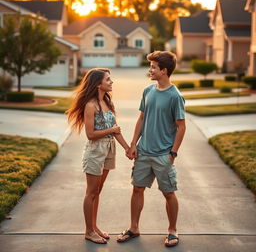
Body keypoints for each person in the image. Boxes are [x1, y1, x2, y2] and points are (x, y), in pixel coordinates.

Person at [117, 51, 186, 247]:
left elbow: (181, 127)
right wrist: (132, 144)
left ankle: (172, 231)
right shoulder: (148, 91)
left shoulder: (175, 96)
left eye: (154, 67)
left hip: (163, 154)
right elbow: (141, 119)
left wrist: (172, 153)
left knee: (168, 193)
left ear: (164, 71)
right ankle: (134, 227)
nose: (150, 70)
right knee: (137, 189)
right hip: (144, 152)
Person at [66, 68, 129, 244]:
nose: (111, 82)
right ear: (98, 84)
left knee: (98, 191)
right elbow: (91, 134)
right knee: (91, 192)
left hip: (109, 149)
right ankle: (88, 231)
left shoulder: (108, 103)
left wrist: (128, 148)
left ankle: (94, 227)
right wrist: (112, 130)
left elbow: (116, 132)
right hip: (95, 151)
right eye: (108, 80)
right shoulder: (90, 105)